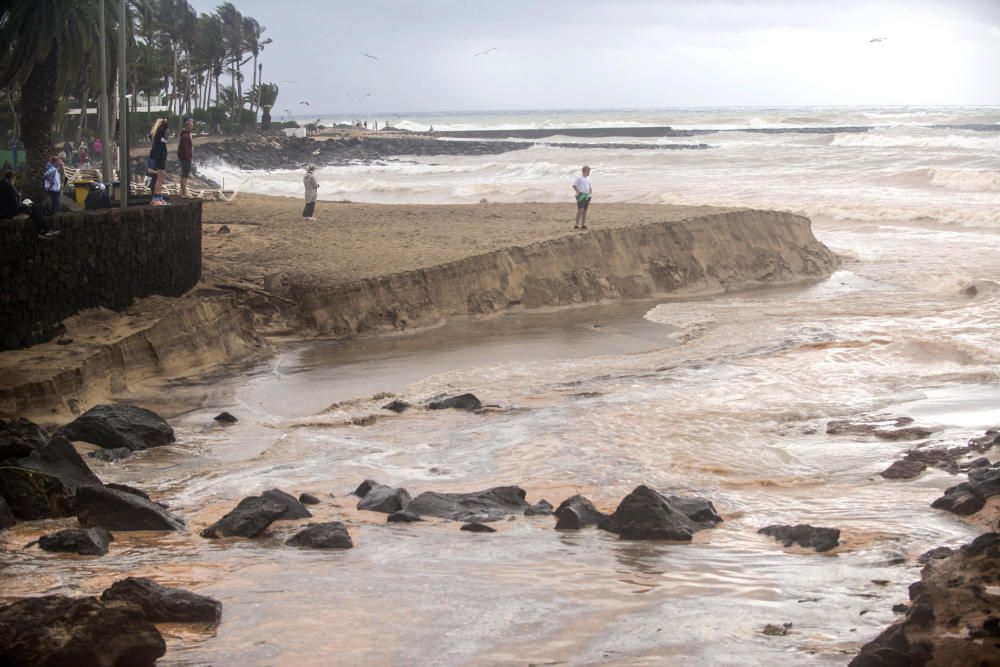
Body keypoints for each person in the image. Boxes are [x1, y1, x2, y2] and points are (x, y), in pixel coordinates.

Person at [147, 118, 170, 206]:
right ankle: (155, 198)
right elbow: (165, 126)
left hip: (159, 157)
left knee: (161, 178)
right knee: (159, 178)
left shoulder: (157, 134)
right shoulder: (160, 133)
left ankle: (159, 196)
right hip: (159, 157)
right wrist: (164, 121)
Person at [177, 115, 194, 198]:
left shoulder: (186, 135)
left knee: (184, 175)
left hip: (185, 158)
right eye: (191, 123)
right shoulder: (185, 136)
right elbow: (184, 150)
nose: (192, 125)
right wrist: (188, 158)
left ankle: (182, 192)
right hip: (185, 159)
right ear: (187, 125)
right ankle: (183, 193)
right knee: (184, 176)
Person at [572, 165, 593, 230]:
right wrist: (578, 192)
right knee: (580, 210)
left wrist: (590, 193)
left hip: (587, 195)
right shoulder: (579, 178)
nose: (589, 172)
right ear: (584, 171)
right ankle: (576, 224)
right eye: (588, 171)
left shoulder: (588, 178)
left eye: (589, 171)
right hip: (581, 195)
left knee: (585, 210)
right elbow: (574, 185)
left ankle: (583, 224)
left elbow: (589, 186)